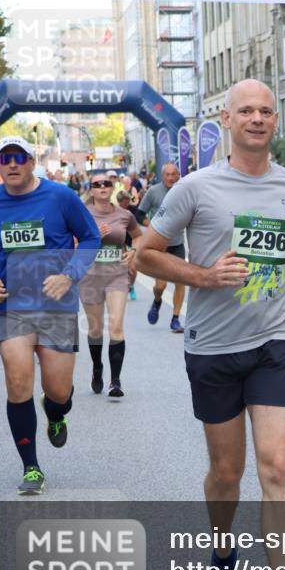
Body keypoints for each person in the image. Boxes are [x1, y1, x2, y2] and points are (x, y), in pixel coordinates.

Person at [134, 79, 285, 570]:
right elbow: (146, 253)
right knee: (225, 474)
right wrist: (204, 276)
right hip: (213, 347)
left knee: (278, 467)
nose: (259, 119)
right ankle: (221, 560)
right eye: (248, 111)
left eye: (267, 111)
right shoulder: (195, 187)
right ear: (227, 118)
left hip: (275, 343)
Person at [0, 136, 101, 495]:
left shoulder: (60, 196)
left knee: (58, 390)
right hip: (10, 306)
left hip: (56, 305)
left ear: (33, 162)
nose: (12, 164)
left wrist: (69, 275)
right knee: (18, 382)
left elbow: (90, 238)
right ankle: (31, 467)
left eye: (19, 157)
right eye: (5, 159)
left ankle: (56, 411)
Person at [80, 173, 143, 398]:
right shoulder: (82, 214)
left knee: (116, 325)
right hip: (90, 276)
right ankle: (97, 368)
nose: (103, 187)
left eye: (107, 183)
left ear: (113, 187)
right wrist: (93, 237)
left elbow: (137, 236)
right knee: (96, 329)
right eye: (97, 185)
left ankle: (115, 381)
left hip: (117, 275)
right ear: (91, 189)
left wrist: (133, 252)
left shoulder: (124, 215)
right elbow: (72, 242)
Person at [138, 163, 187, 332]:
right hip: (159, 246)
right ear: (162, 176)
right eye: (167, 174)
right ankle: (157, 301)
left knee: (181, 282)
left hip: (178, 243)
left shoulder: (185, 190)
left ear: (179, 175)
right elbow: (139, 215)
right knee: (161, 286)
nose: (171, 178)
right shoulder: (153, 192)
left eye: (174, 174)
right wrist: (152, 225)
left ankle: (175, 319)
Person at [117, 191, 145, 301]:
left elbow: (141, 220)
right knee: (121, 267)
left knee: (133, 268)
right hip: (120, 243)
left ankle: (131, 286)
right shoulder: (114, 211)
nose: (128, 202)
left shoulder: (132, 210)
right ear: (121, 201)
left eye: (129, 200)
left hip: (132, 241)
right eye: (126, 200)